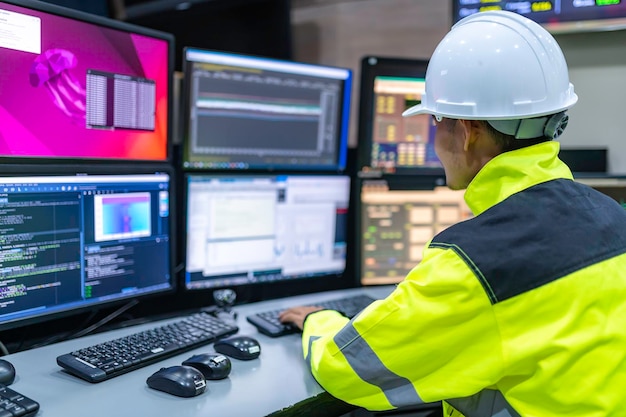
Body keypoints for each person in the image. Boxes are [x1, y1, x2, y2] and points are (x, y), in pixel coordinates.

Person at [278, 9, 626, 417]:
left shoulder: (473, 264)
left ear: (464, 131)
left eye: (435, 121)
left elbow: (348, 369)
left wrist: (319, 322)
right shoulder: (611, 216)